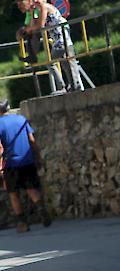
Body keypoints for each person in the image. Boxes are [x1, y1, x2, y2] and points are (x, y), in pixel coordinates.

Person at [0, 99, 51, 233]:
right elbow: (32, 140)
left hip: (10, 164)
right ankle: (42, 210)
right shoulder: (21, 119)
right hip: (27, 160)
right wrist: (38, 158)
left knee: (13, 193)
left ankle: (23, 223)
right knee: (31, 189)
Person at [21, 0, 83, 92]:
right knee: (66, 64)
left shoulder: (45, 7)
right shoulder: (41, 9)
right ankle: (73, 86)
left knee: (52, 63)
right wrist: (32, 13)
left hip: (61, 41)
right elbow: (34, 25)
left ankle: (62, 86)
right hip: (59, 41)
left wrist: (28, 29)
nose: (35, 2)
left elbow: (40, 26)